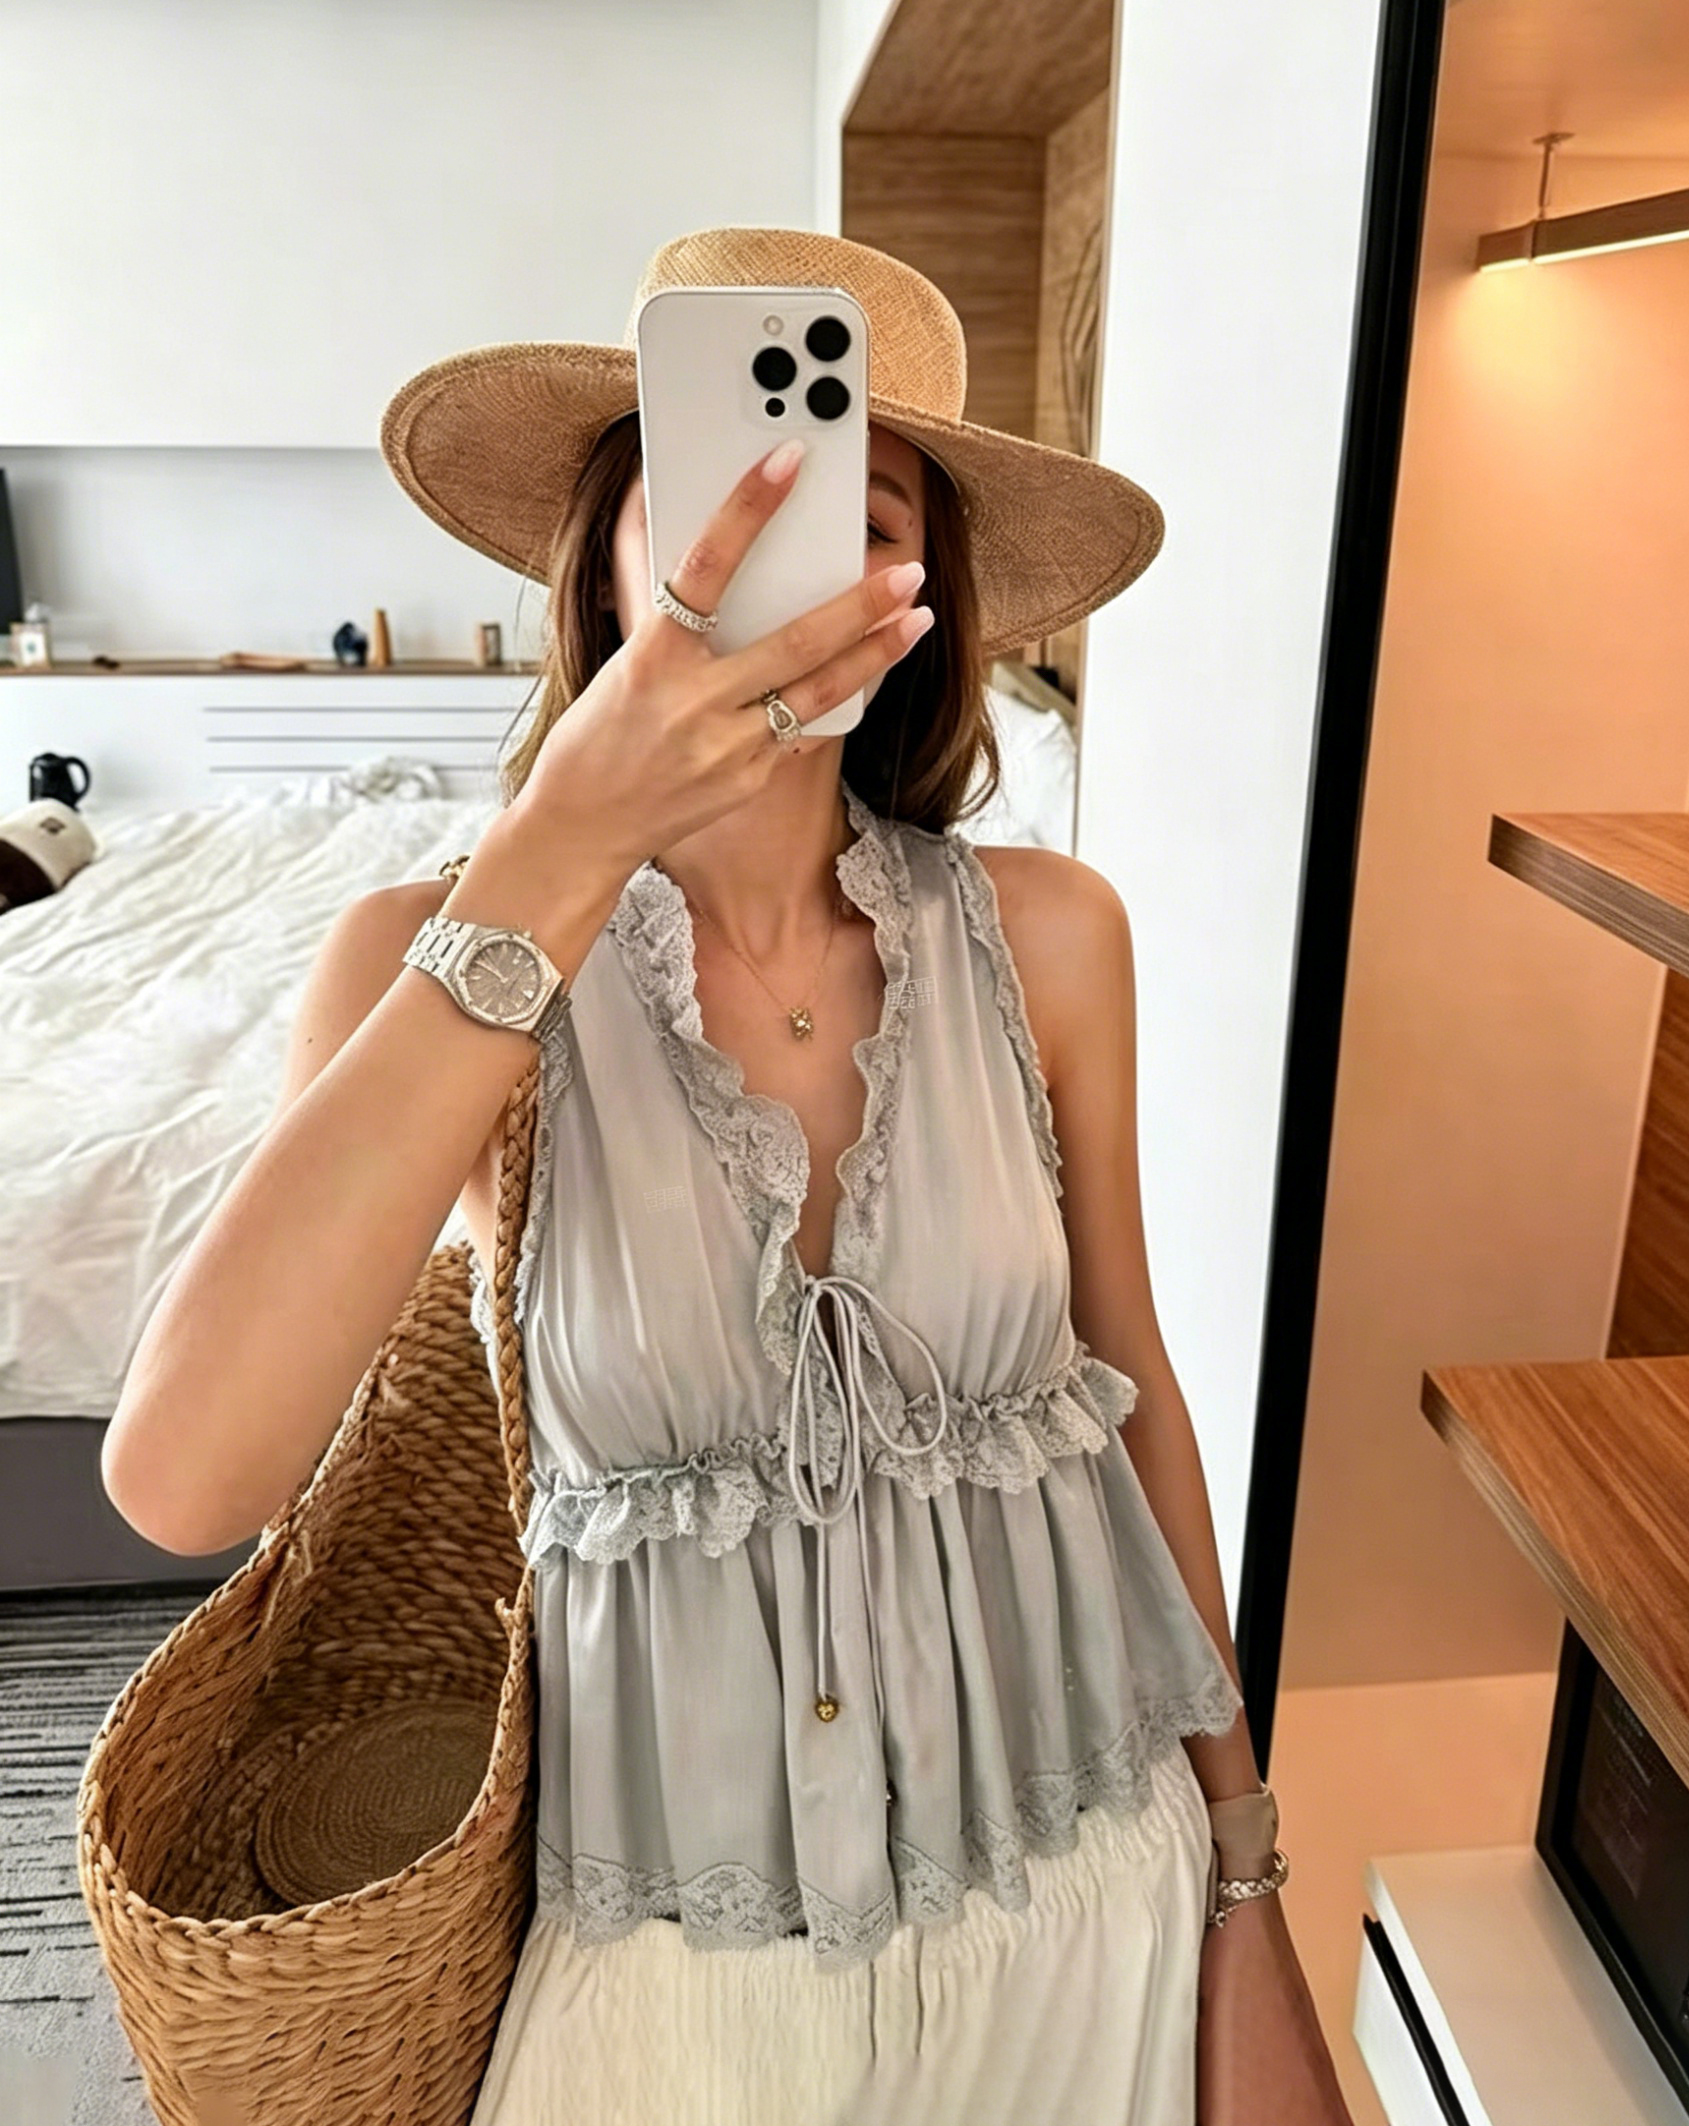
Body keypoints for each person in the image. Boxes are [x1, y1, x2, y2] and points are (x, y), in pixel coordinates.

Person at [102, 229, 1351, 2124]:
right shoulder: (423, 959)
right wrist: (562, 841)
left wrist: (1244, 1871)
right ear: (604, 558)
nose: (790, 565)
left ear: (925, 600)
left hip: (1090, 1891)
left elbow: (1131, 1399)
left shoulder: (1051, 936)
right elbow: (186, 1479)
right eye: (722, 507)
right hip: (674, 1964)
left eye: (864, 520)